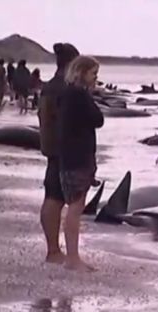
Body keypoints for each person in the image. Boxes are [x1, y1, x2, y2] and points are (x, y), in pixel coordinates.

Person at [57, 55, 103, 271]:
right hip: (78, 159)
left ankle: (72, 256)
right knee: (76, 208)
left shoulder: (67, 93)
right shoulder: (79, 95)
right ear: (82, 73)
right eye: (93, 74)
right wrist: (90, 96)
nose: (96, 78)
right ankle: (72, 258)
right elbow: (98, 119)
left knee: (74, 207)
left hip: (69, 157)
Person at [38, 42, 79, 264]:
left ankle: (52, 248)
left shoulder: (49, 86)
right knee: (56, 200)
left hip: (51, 148)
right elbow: (67, 123)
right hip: (63, 151)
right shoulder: (64, 88)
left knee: (51, 198)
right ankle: (54, 250)